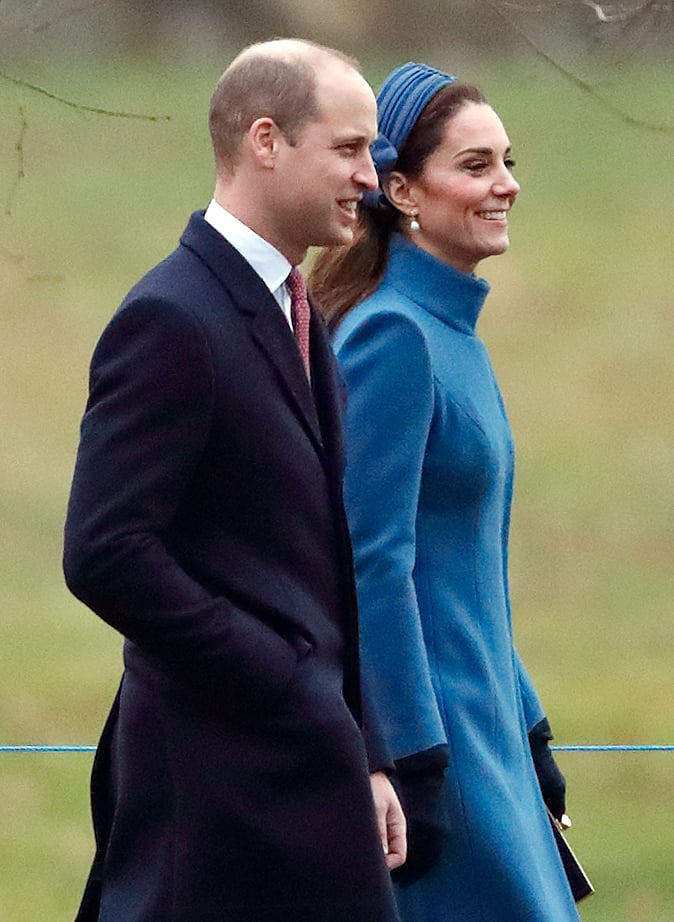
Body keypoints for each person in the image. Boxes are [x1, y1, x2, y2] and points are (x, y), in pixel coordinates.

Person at [63, 39, 406, 922]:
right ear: (266, 140)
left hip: (305, 774)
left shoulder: (301, 315)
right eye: (349, 148)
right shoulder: (171, 318)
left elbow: (320, 559)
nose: (370, 177)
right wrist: (278, 673)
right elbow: (105, 551)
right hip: (215, 795)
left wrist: (363, 751)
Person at [310, 62, 581, 921]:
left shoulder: (453, 330)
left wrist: (529, 723)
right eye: (475, 166)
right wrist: (415, 760)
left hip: (488, 728)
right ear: (402, 191)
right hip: (441, 748)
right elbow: (371, 566)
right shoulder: (393, 335)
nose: (507, 185)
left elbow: (472, 573)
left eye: (506, 160)